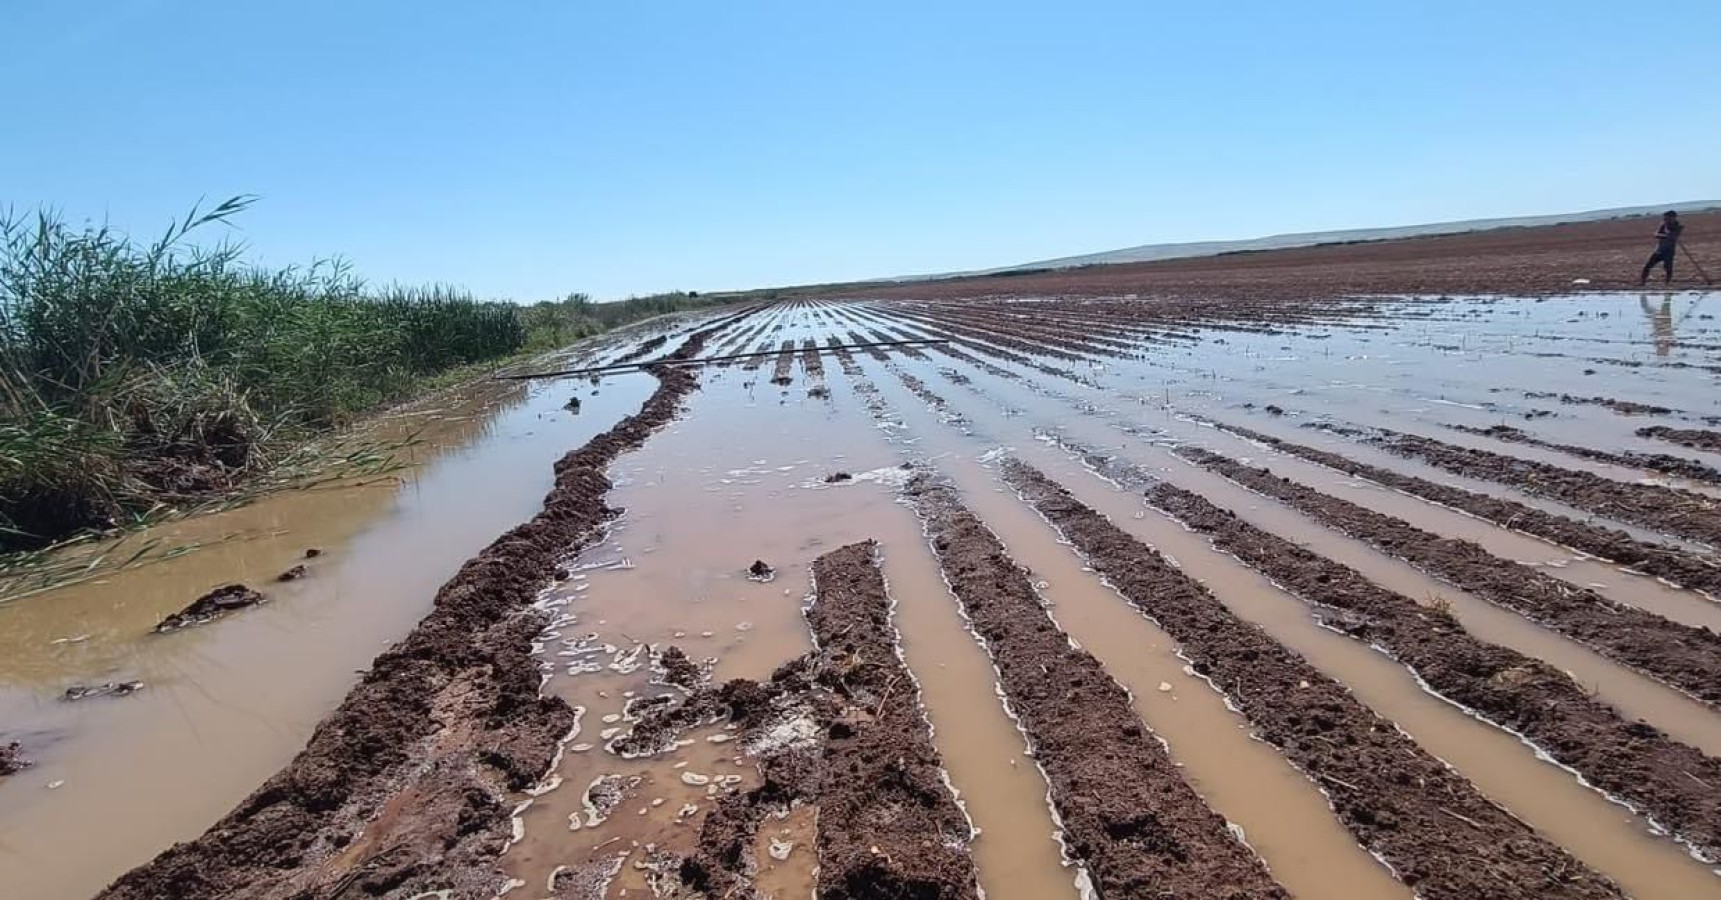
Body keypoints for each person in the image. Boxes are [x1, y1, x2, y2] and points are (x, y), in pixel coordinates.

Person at [1639, 210, 1684, 285]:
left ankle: (1667, 283)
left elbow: (1674, 236)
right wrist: (1666, 236)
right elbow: (1656, 234)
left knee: (1668, 267)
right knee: (1648, 266)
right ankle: (1642, 282)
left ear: (1673, 218)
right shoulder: (1663, 225)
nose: (1665, 220)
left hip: (1669, 251)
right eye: (1665, 218)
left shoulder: (1678, 227)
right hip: (1659, 250)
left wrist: (1666, 235)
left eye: (1667, 218)